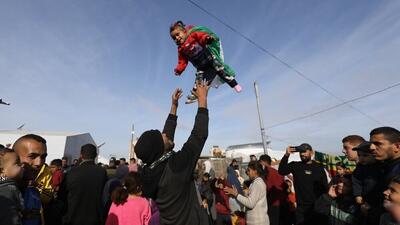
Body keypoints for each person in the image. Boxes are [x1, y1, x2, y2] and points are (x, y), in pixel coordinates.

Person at [135, 81, 210, 225]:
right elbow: (198, 135)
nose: (165, 134)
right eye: (161, 136)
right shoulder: (176, 167)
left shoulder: (149, 172)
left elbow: (166, 138)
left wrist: (174, 106)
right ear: (159, 149)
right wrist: (202, 100)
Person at [170, 20, 241, 104]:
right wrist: (179, 70)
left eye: (178, 34)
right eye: (174, 38)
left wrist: (207, 38)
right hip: (200, 66)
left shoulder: (192, 35)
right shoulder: (181, 49)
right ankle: (195, 96)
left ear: (184, 31)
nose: (177, 38)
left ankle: (234, 84)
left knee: (221, 71)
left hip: (209, 58)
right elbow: (182, 61)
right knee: (198, 81)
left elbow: (201, 36)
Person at [278, 143, 328, 225]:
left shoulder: (319, 167)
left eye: (304, 151)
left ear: (311, 152)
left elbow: (324, 186)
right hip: (301, 208)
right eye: (300, 152)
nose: (302, 154)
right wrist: (286, 154)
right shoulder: (295, 165)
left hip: (317, 206)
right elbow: (281, 171)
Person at [58, 144, 108, 225]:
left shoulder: (71, 172)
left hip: (73, 217)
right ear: (96, 155)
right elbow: (105, 195)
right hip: (95, 218)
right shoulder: (101, 172)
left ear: (81, 155)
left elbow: (61, 195)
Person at [225, 161, 270, 225]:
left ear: (255, 171)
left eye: (249, 170)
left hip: (258, 222)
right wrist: (245, 194)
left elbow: (250, 203)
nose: (247, 173)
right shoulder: (254, 182)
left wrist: (236, 195)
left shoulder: (258, 183)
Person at [351, 141, 384, 225]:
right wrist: (357, 195)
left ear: (375, 154)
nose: (361, 158)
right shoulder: (359, 168)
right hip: (364, 200)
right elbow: (356, 181)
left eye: (365, 155)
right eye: (359, 155)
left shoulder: (382, 167)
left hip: (379, 202)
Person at [259, 154, 285, 225]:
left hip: (272, 203)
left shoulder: (266, 172)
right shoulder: (278, 172)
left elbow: (266, 187)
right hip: (281, 202)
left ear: (263, 162)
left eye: (260, 162)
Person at [0, 148, 24, 225]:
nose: (22, 165)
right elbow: (9, 217)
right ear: (2, 170)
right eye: (18, 163)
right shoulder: (7, 190)